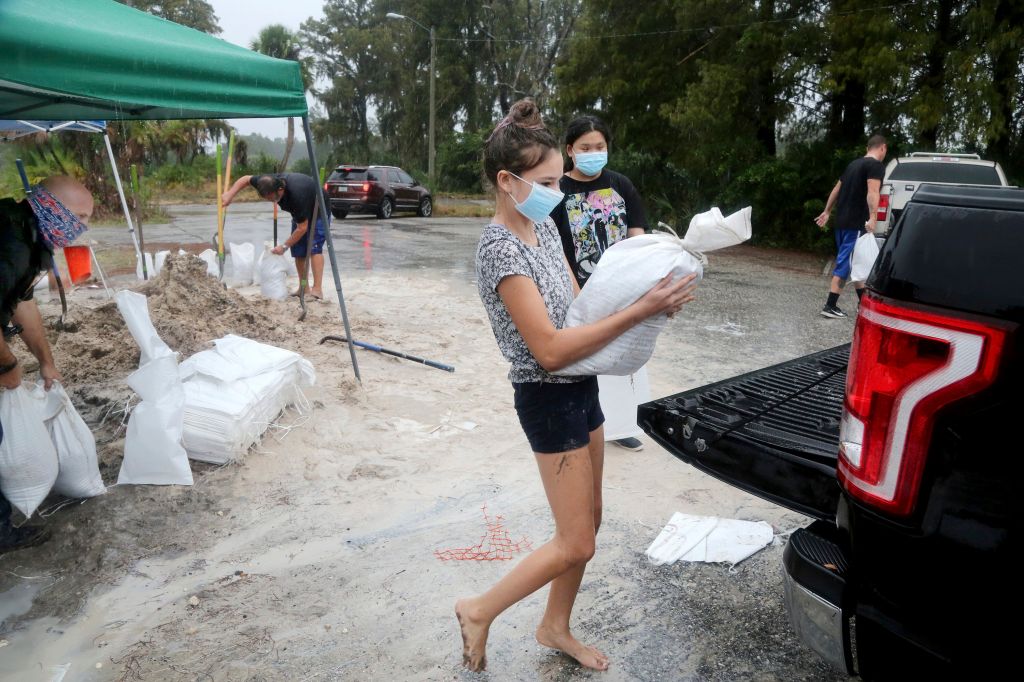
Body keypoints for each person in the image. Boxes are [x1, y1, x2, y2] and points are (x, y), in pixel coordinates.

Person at [457, 99, 697, 673]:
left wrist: (652, 298)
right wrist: (640, 311)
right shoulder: (500, 250)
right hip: (546, 396)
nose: (554, 191)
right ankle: (478, 608)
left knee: (589, 519)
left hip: (579, 388)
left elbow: (580, 311)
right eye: (543, 182)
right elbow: (549, 347)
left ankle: (553, 625)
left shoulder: (540, 228)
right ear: (506, 182)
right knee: (576, 541)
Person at [1, 175, 93, 554]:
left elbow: (21, 303)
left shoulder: (27, 236)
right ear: (52, 208)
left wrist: (46, 362)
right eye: (79, 217)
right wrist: (8, 369)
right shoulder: (8, 246)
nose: (81, 228)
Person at [550, 115, 651, 452]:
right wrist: (579, 294)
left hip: (623, 289)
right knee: (583, 357)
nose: (593, 152)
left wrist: (640, 282)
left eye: (599, 147)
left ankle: (621, 423)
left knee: (621, 355)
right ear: (570, 150)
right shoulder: (557, 191)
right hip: (578, 289)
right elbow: (557, 248)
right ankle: (583, 423)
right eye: (585, 147)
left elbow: (638, 235)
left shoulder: (621, 185)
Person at [814, 134, 888, 318]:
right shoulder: (875, 166)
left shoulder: (853, 165)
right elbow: (872, 192)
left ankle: (862, 303)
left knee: (857, 262)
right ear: (883, 148)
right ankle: (830, 306)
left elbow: (836, 189)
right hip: (855, 223)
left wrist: (827, 211)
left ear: (867, 148)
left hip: (842, 222)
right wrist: (873, 217)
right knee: (845, 264)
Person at [222, 173, 327, 300]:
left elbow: (302, 228)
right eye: (267, 199)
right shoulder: (264, 182)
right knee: (299, 250)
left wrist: (284, 246)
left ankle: (317, 289)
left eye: (272, 199)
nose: (271, 201)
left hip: (319, 208)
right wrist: (229, 194)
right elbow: (245, 179)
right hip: (300, 213)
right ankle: (304, 288)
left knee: (314, 247)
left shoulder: (297, 195)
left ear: (280, 189)